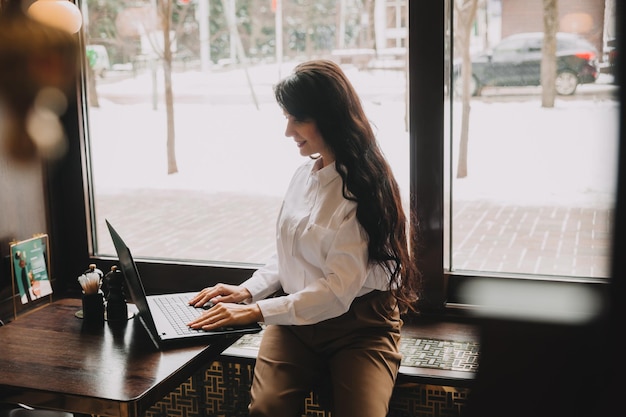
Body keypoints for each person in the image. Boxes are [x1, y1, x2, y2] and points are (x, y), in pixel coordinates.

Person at [188, 59, 421, 417]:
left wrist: (255, 311)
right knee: (266, 409)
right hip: (296, 325)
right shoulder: (304, 175)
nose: (287, 131)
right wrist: (249, 290)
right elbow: (291, 253)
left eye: (297, 119)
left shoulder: (364, 190)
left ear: (328, 117)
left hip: (360, 327)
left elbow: (336, 293)